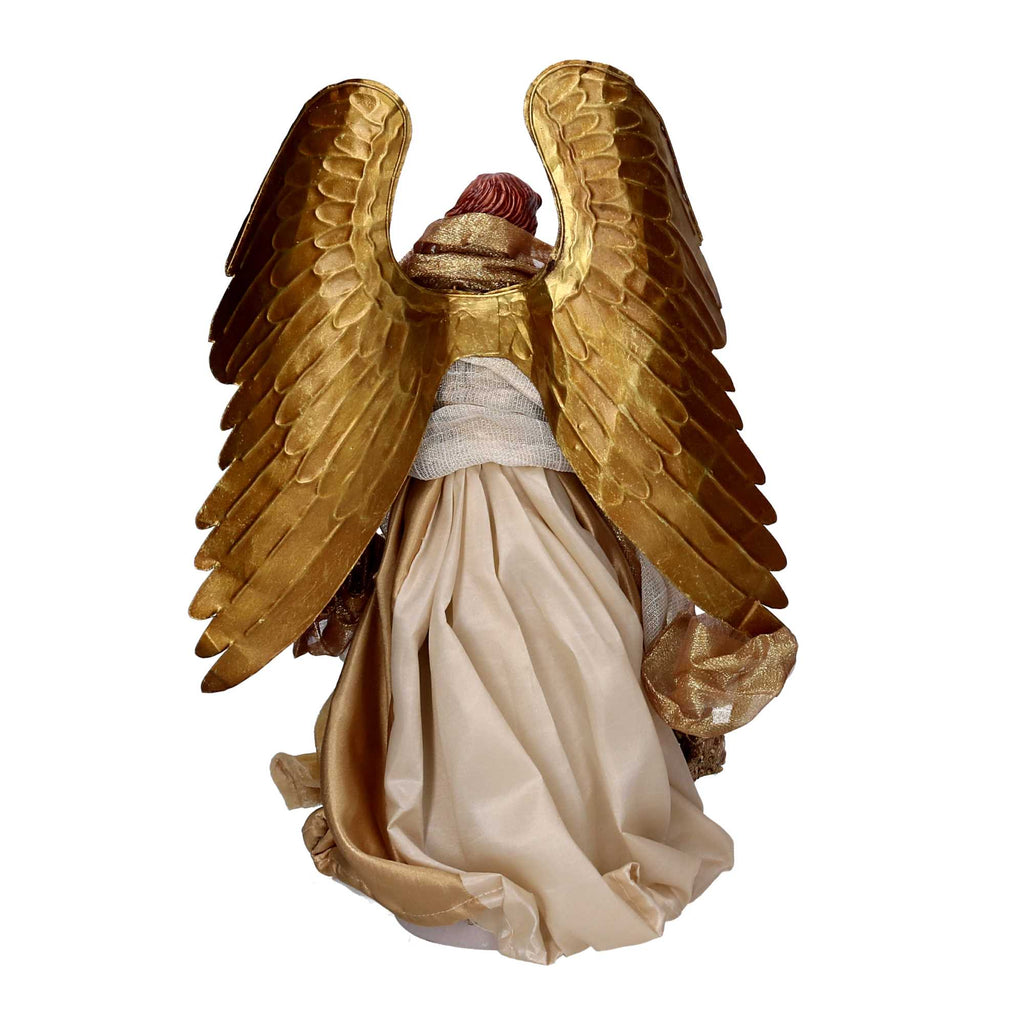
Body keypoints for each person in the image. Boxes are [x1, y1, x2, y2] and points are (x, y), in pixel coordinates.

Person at [271, 173, 737, 964]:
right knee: (578, 653)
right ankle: (583, 826)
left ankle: (461, 827)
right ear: (523, 221)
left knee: (446, 657)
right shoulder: (551, 286)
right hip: (546, 508)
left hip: (441, 512)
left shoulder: (410, 288)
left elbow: (381, 405)